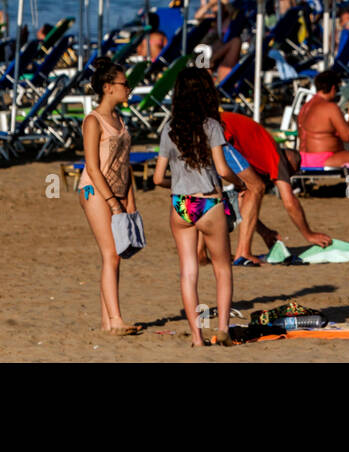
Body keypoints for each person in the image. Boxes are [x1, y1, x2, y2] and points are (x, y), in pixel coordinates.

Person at [152, 66, 247, 347]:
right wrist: (239, 183)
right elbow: (222, 168)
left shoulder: (169, 129)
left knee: (188, 271)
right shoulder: (211, 126)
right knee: (222, 268)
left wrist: (179, 183)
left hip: (181, 204)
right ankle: (223, 330)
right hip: (208, 202)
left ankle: (196, 337)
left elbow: (158, 178)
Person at [76, 56, 141, 335]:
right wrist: (113, 202)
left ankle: (107, 320)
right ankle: (115, 320)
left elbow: (125, 163)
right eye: (125, 85)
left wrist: (129, 199)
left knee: (115, 256)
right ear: (108, 87)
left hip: (117, 191)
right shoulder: (93, 120)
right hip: (94, 190)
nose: (129, 90)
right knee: (111, 255)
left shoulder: (120, 119)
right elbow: (91, 165)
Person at [219, 109, 332, 264]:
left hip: (210, 127)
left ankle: (202, 256)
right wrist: (309, 234)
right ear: (290, 162)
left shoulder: (260, 156)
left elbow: (243, 202)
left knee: (206, 189)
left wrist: (265, 232)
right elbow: (290, 202)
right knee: (257, 187)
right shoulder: (278, 157)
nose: (287, 177)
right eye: (290, 174)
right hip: (220, 131)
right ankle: (243, 253)